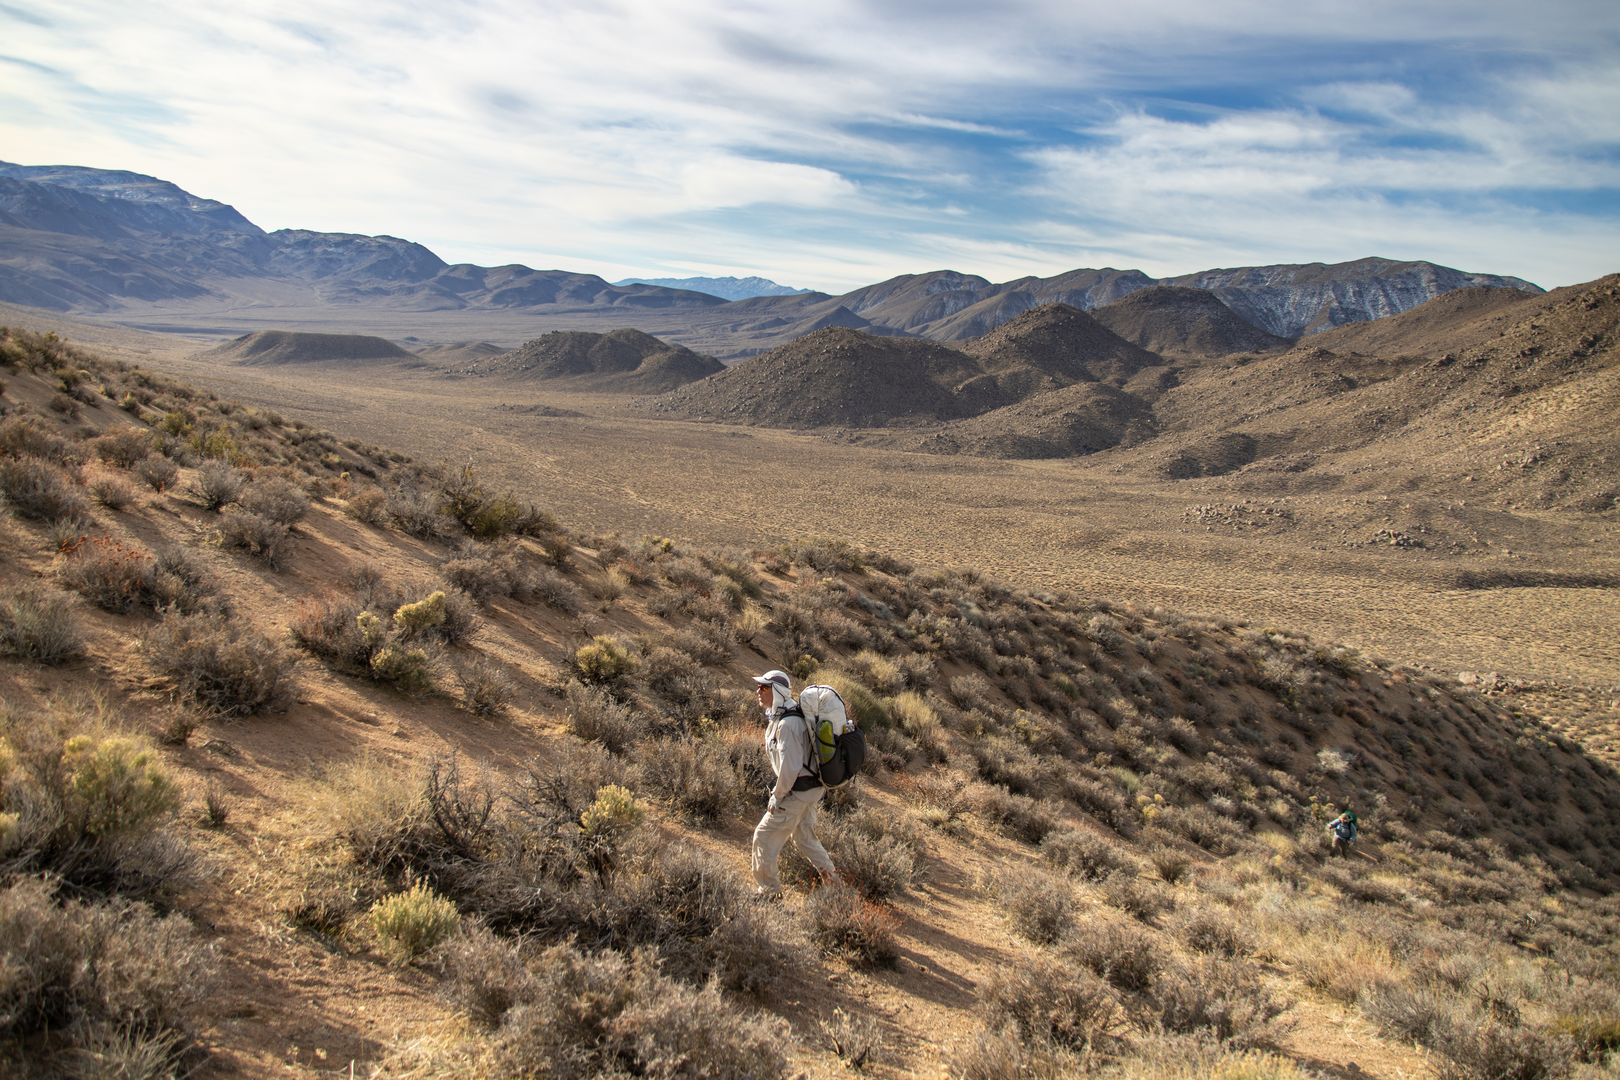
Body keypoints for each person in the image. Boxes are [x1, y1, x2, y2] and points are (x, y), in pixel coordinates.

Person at [749, 669, 836, 898]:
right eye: (759, 686)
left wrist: (777, 795)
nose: (759, 691)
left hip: (796, 793)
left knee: (764, 836)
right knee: (805, 839)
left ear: (777, 691)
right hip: (810, 791)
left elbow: (791, 766)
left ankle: (769, 892)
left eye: (764, 687)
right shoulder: (784, 717)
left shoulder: (787, 724)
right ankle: (835, 886)